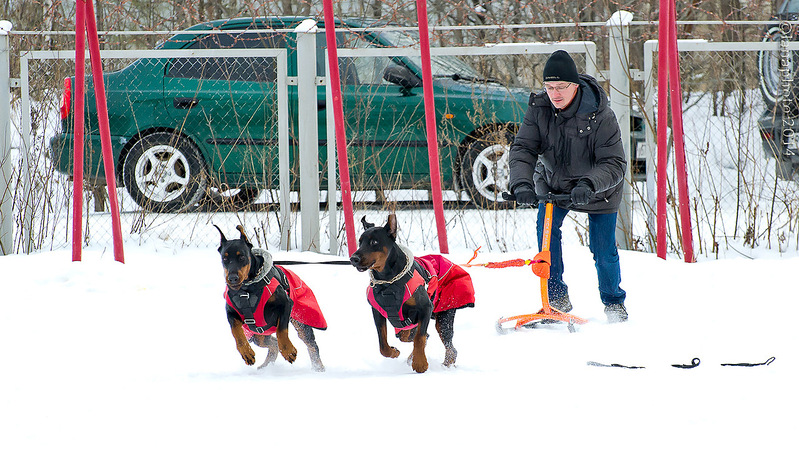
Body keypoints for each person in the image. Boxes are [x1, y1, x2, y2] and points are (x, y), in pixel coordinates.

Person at [508, 50, 628, 323]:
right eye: (549, 87)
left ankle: (613, 303)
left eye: (561, 87)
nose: (555, 94)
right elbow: (523, 149)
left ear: (575, 85)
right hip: (554, 184)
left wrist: (589, 183)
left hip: (599, 189)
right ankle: (557, 299)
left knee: (602, 248)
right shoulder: (539, 109)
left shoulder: (601, 115)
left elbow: (614, 163)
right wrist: (522, 183)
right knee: (547, 238)